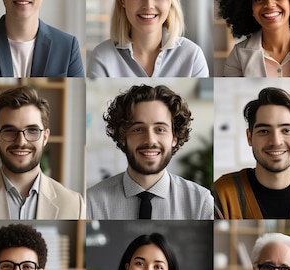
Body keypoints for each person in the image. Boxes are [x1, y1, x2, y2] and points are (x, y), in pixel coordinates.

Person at [86, 84, 213, 219]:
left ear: (174, 138)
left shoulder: (201, 202)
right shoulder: (92, 202)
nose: (150, 140)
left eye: (160, 129)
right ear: (123, 137)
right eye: (138, 129)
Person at [0, 86, 84, 219]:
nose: (21, 142)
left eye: (32, 130)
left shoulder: (75, 204)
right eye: (10, 131)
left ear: (45, 137)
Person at [214, 87, 290, 219]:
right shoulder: (222, 193)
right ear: (249, 137)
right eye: (264, 131)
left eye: (286, 130)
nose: (276, 141)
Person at [87, 0, 208, 78]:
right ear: (122, 0)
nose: (148, 5)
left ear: (171, 1)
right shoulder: (102, 57)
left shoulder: (192, 56)